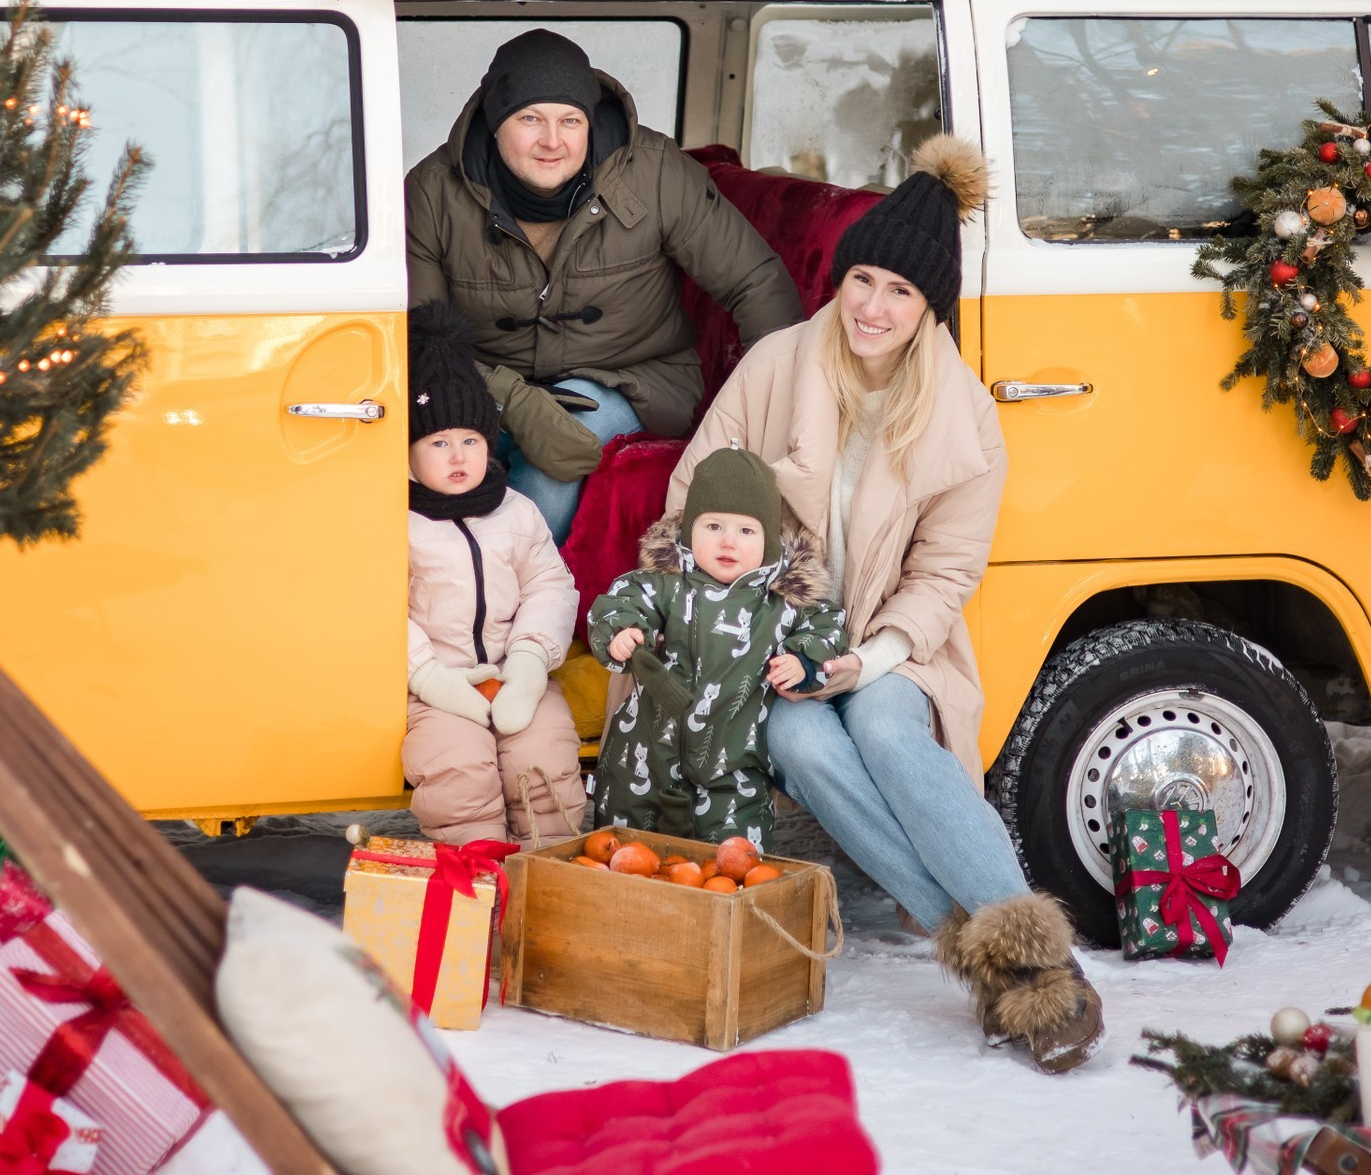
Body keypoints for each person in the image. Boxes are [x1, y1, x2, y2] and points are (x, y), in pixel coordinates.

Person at [662, 134, 1104, 1071]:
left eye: (899, 291)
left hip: (894, 647)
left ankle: (1037, 966)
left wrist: (872, 658)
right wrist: (765, 618)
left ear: (927, 307)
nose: (872, 306)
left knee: (894, 732)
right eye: (862, 279)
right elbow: (694, 497)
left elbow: (945, 573)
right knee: (797, 740)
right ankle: (1005, 967)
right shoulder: (780, 364)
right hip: (778, 637)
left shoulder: (963, 415)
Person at [407, 27, 803, 539]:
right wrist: (511, 399)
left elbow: (755, 281)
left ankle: (511, 590)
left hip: (636, 378)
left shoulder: (656, 173)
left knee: (564, 444)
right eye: (531, 119)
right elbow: (421, 336)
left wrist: (776, 412)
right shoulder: (433, 191)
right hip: (488, 382)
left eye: (571, 121)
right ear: (495, 122)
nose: (553, 141)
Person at [587, 448, 845, 849]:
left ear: (769, 541)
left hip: (733, 775)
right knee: (624, 855)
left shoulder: (782, 603)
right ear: (690, 529)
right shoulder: (664, 585)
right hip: (642, 762)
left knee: (732, 867)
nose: (728, 542)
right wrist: (622, 631)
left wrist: (802, 659)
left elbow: (827, 627)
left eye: (746, 531)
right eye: (712, 527)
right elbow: (620, 601)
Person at [401, 303, 590, 846]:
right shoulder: (396, 523)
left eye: (472, 441)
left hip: (515, 674)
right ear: (410, 453)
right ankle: (480, 881)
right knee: (460, 775)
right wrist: (427, 676)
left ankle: (550, 881)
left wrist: (530, 662)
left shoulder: (516, 510)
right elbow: (371, 610)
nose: (458, 455)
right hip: (435, 685)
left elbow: (549, 586)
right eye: (438, 443)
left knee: (545, 764)